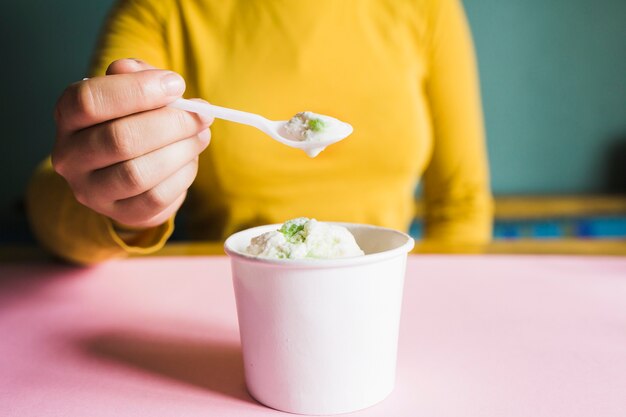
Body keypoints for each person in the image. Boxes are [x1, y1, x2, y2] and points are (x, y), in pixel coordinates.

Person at [26, 0, 493, 265]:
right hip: (225, 302)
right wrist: (117, 202)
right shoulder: (164, 10)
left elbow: (462, 204)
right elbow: (66, 179)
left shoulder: (427, 9)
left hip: (378, 297)